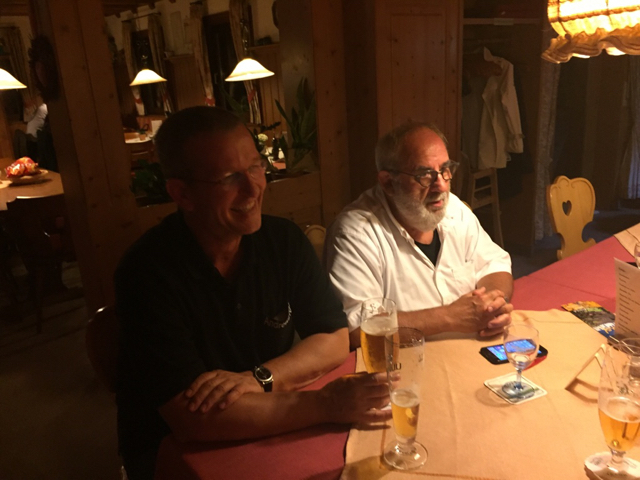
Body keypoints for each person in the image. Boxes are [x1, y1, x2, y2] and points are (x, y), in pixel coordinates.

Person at [114, 107, 390, 480]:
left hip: (271, 421)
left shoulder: (284, 241)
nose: (253, 188)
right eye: (230, 178)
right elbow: (192, 418)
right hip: (177, 452)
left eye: (256, 167)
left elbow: (334, 338)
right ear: (182, 193)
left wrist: (259, 378)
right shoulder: (147, 272)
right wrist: (326, 403)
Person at [324, 122, 514, 348]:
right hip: (403, 359)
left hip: (468, 348)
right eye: (425, 175)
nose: (441, 185)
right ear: (388, 182)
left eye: (445, 170)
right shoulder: (355, 233)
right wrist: (450, 317)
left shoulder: (454, 209)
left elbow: (495, 264)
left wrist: (491, 305)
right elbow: (358, 329)